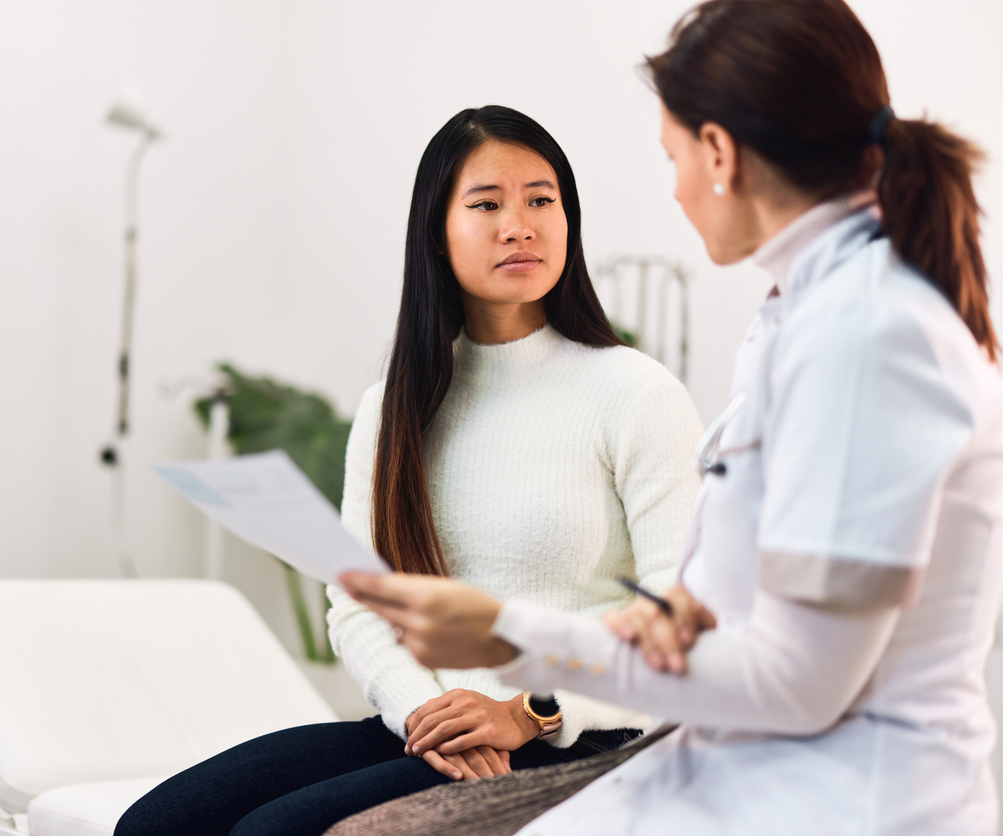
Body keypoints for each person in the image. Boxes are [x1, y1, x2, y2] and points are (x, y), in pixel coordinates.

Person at [338, 2, 1003, 835]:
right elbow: (754, 602)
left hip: (836, 796)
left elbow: (802, 683)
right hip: (736, 766)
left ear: (718, 151)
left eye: (672, 157)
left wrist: (512, 642)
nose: (677, 189)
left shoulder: (867, 339)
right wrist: (680, 610)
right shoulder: (804, 316)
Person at [113, 105, 703, 836]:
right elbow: (359, 602)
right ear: (436, 233)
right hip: (427, 726)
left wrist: (530, 712)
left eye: (540, 200)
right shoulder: (396, 406)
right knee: (157, 823)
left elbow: (680, 619)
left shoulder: (635, 394)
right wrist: (419, 711)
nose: (518, 224)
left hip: (574, 737)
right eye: (486, 203)